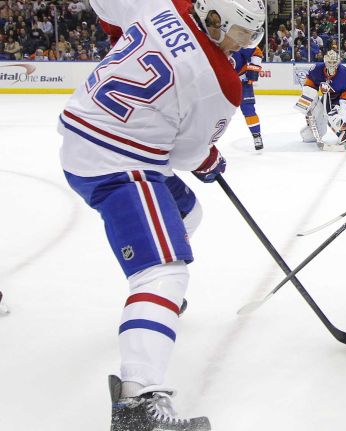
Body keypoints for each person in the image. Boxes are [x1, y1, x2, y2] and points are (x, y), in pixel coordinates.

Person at [57, 0, 265, 429]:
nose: (249, 43)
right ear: (214, 21)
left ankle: (155, 308)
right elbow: (187, 153)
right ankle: (137, 403)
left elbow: (104, 6)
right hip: (116, 159)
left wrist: (123, 34)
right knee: (164, 272)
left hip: (92, 135)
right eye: (243, 33)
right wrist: (208, 159)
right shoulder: (221, 81)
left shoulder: (166, 4)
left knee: (187, 212)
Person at [293, 49, 346, 151]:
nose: (332, 65)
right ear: (325, 61)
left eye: (334, 62)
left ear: (338, 62)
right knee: (307, 137)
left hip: (340, 98)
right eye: (330, 62)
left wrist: (343, 110)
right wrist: (307, 102)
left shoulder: (344, 73)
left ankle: (345, 131)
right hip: (326, 99)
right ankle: (337, 127)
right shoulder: (317, 69)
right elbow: (311, 85)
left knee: (334, 118)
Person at [232, 45, 265, 150]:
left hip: (242, 81)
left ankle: (256, 135)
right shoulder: (211, 44)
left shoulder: (235, 41)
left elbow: (257, 52)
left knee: (248, 109)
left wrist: (253, 69)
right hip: (221, 82)